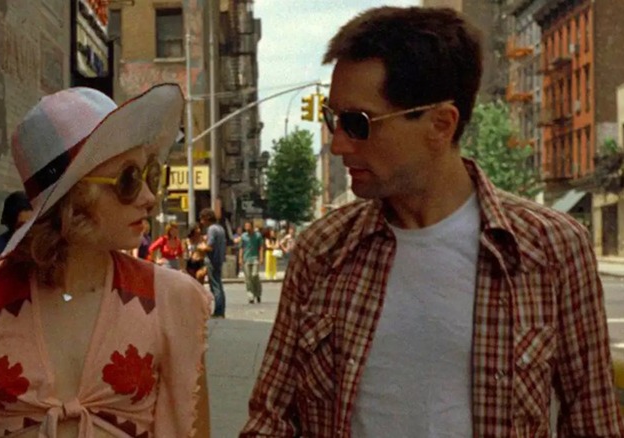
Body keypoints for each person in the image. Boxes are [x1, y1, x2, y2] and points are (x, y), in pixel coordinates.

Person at [242, 6, 623, 438]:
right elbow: (271, 417)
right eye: (333, 119)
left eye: (357, 123)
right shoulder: (323, 250)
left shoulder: (551, 248)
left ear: (441, 124)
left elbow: (593, 420)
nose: (338, 144)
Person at [0, 85, 212, 437]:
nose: (149, 198)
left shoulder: (172, 300)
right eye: (128, 180)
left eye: (149, 176)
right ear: (73, 197)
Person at [198, 208, 227, 318]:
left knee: (215, 286)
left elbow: (209, 246)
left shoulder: (211, 229)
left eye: (202, 219)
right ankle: (221, 309)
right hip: (219, 259)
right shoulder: (220, 228)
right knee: (218, 285)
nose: (201, 222)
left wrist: (200, 247)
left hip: (212, 261)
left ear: (207, 218)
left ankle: (219, 311)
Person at [239, 221, 263, 304]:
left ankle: (258, 293)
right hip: (246, 258)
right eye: (246, 226)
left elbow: (260, 247)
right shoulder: (243, 236)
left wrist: (261, 258)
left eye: (248, 225)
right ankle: (251, 296)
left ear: (252, 226)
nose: (247, 227)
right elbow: (241, 248)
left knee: (254, 275)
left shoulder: (258, 235)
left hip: (255, 258)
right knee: (248, 278)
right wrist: (240, 258)